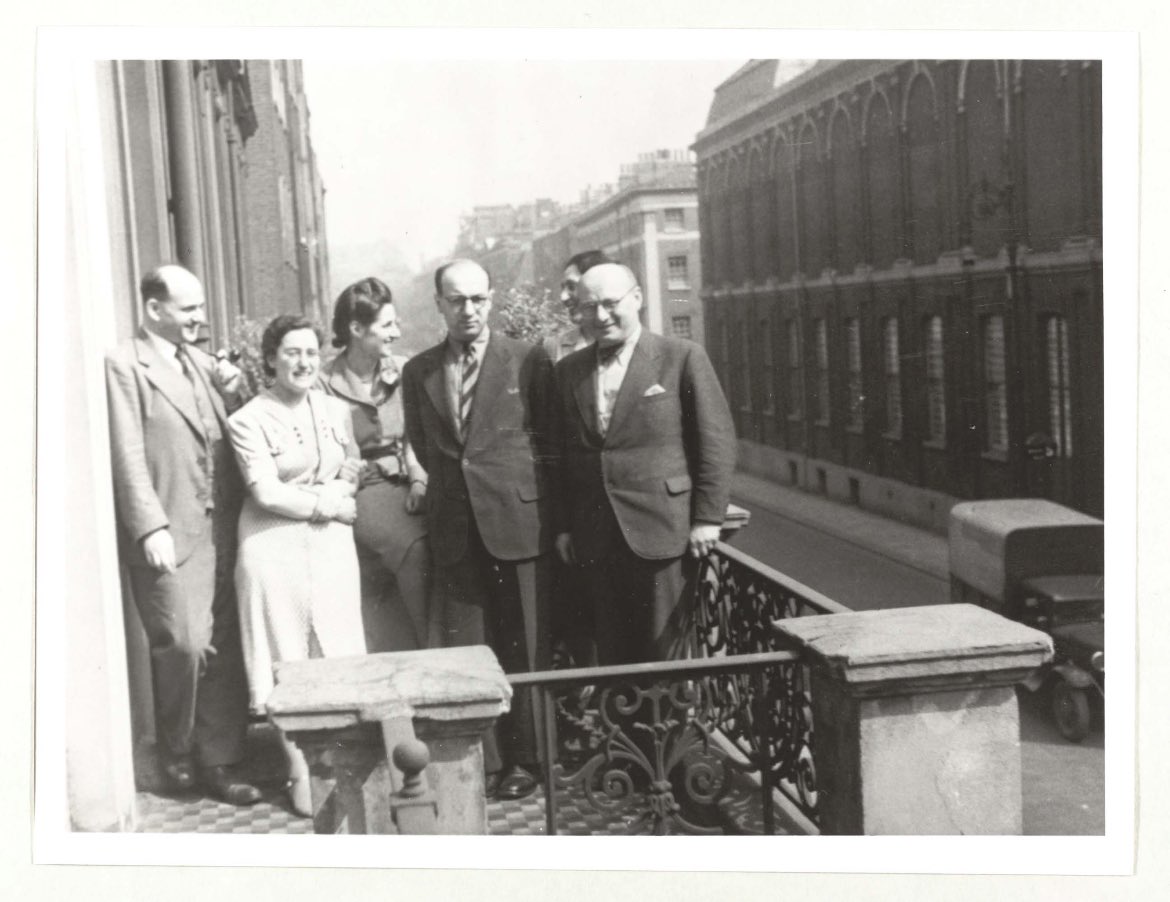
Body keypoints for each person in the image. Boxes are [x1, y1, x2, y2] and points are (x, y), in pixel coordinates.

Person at [105, 263, 261, 806]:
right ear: (154, 309)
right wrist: (149, 524)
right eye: (189, 308)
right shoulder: (126, 366)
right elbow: (126, 452)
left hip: (224, 526)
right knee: (185, 643)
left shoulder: (201, 363)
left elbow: (234, 434)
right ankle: (176, 748)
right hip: (171, 530)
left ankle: (220, 760)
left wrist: (237, 393)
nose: (200, 317)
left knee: (223, 645)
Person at [402, 259, 556, 801]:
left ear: (491, 300)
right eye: (457, 300)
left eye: (478, 299)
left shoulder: (528, 360)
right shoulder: (418, 370)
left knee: (523, 646)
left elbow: (551, 441)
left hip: (517, 525)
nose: (469, 310)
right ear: (439, 306)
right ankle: (479, 761)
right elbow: (425, 446)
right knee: (466, 647)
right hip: (456, 529)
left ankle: (526, 760)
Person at [554, 262, 737, 665]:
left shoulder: (681, 357)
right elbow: (564, 456)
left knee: (664, 655)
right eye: (588, 307)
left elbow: (716, 442)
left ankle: (669, 731)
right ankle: (621, 731)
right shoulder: (568, 371)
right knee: (611, 654)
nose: (600, 316)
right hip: (596, 537)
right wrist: (565, 525)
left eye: (609, 303)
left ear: (636, 298)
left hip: (662, 533)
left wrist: (708, 518)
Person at [228, 314, 366, 816]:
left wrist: (345, 483)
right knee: (285, 653)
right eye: (291, 352)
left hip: (329, 542)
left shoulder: (335, 409)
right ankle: (298, 769)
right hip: (273, 542)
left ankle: (340, 758)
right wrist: (328, 503)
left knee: (335, 645)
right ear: (270, 359)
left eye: (311, 352)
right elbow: (266, 491)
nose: (304, 362)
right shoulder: (248, 419)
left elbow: (350, 466)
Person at [320, 278, 431, 652]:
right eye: (387, 325)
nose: (396, 333)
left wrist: (418, 479)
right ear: (355, 328)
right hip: (362, 487)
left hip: (408, 480)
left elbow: (415, 434)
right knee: (415, 547)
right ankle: (430, 650)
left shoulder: (403, 370)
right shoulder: (323, 382)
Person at [541, 249, 610, 364]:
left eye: (572, 287)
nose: (563, 297)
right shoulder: (552, 348)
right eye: (563, 288)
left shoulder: (632, 346)